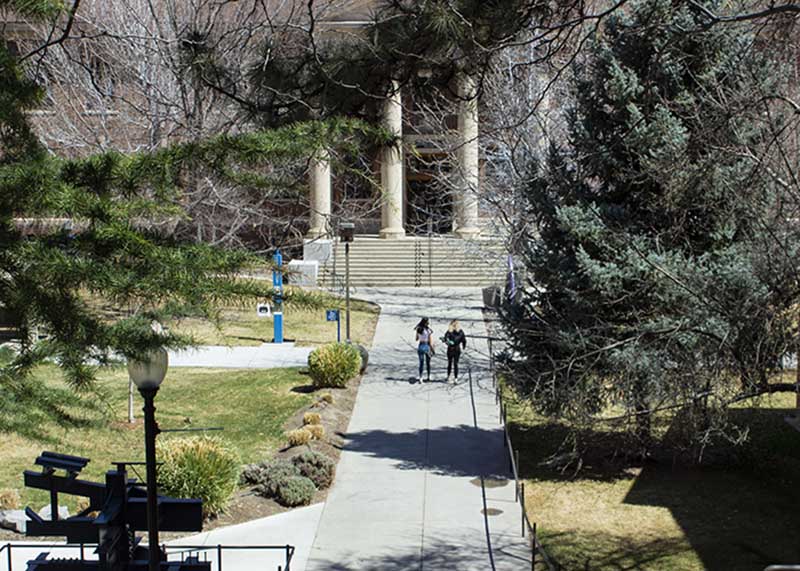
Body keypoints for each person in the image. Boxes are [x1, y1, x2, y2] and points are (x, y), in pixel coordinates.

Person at [415, 317, 434, 382]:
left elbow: (416, 339)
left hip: (420, 345)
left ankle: (421, 377)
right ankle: (428, 376)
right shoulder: (428, 330)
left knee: (421, 363)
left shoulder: (418, 329)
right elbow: (430, 341)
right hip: (427, 346)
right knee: (428, 363)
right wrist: (432, 349)